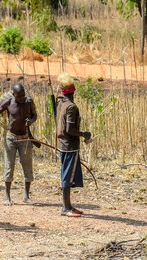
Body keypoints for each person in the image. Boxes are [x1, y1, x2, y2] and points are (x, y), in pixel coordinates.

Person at [0, 83, 37, 206]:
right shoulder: (9, 102)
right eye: (19, 96)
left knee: (27, 166)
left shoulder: (28, 102)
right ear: (13, 94)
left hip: (25, 138)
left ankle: (26, 196)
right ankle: (7, 196)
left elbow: (34, 115)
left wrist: (31, 121)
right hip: (11, 138)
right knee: (9, 166)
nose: (21, 98)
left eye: (23, 95)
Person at [56, 72, 92, 217]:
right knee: (67, 177)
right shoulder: (71, 107)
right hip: (70, 146)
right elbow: (69, 129)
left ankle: (69, 206)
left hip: (62, 144)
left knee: (67, 175)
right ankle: (66, 208)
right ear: (74, 90)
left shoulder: (60, 103)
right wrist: (84, 134)